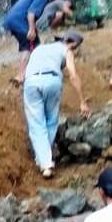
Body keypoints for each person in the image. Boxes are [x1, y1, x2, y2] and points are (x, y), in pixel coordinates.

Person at [22, 31, 89, 178]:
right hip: (52, 81)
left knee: (36, 123)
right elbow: (73, 75)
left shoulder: (39, 48)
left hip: (32, 82)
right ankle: (46, 163)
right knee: (51, 121)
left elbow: (25, 66)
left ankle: (42, 159)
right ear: (73, 44)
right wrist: (82, 102)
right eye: (76, 48)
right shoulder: (67, 50)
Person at [3, 0, 70, 84]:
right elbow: (31, 13)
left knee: (34, 45)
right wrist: (31, 29)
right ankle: (21, 75)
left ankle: (29, 72)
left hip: (16, 20)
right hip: (19, 21)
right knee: (30, 45)